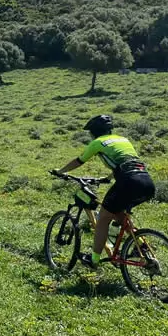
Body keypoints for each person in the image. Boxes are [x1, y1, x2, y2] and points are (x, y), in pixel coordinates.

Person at [54, 114, 155, 268]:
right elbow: (126, 162)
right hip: (146, 181)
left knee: (103, 217)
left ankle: (93, 260)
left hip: (128, 181)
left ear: (93, 132)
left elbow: (78, 161)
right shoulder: (123, 139)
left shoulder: (97, 143)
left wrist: (61, 171)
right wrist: (108, 178)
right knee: (120, 215)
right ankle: (140, 246)